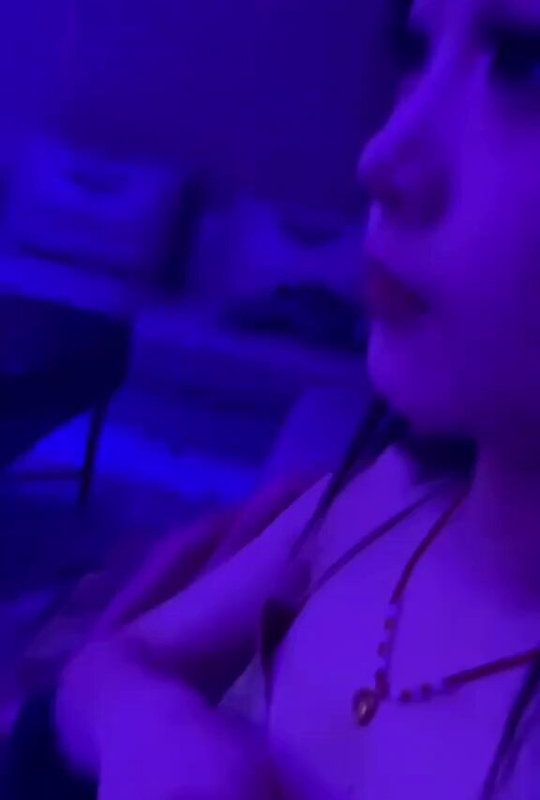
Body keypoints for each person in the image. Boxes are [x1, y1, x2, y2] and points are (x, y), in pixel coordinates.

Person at [7, 0, 540, 795]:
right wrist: (149, 723)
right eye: (416, 52)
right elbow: (110, 663)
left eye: (524, 64)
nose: (382, 157)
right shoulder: (378, 503)